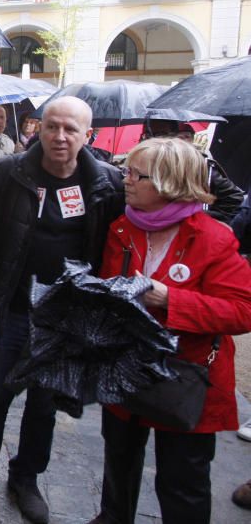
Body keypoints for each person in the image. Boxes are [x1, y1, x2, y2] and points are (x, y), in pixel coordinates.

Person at [0, 96, 124, 524]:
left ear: (87, 135)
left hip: (64, 317)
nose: (59, 137)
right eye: (52, 127)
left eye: (70, 130)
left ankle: (26, 478)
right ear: (37, 128)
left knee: (44, 405)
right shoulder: (7, 172)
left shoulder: (107, 185)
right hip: (9, 305)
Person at [87, 137, 251, 524]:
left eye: (134, 173)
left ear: (168, 182)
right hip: (126, 369)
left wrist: (171, 301)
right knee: (119, 461)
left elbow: (242, 311)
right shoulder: (123, 227)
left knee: (182, 481)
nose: (124, 179)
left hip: (185, 380)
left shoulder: (214, 237)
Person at [142, 117, 245, 223]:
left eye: (160, 134)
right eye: (147, 135)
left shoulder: (197, 164)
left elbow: (234, 199)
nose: (152, 140)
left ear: (174, 136)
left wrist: (200, 218)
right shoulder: (136, 168)